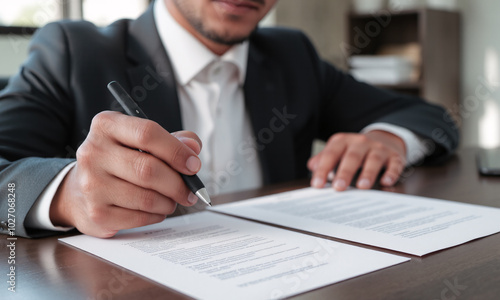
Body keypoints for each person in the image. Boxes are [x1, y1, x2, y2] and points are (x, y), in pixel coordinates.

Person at [0, 0, 459, 238]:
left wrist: (387, 138)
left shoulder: (291, 54)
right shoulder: (72, 52)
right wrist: (66, 194)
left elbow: (430, 116)